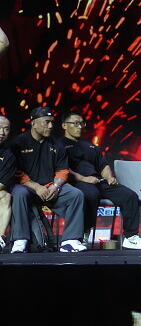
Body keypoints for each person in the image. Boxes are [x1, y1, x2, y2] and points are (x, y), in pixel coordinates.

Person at [58, 111, 141, 250]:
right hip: (77, 182)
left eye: (82, 124)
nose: (80, 127)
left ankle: (131, 237)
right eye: (75, 123)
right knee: (91, 194)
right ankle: (83, 233)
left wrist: (109, 177)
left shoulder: (90, 146)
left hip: (98, 181)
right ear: (64, 125)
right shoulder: (59, 145)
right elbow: (63, 169)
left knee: (129, 196)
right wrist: (84, 178)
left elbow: (103, 165)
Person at [8, 107, 86, 253]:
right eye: (46, 122)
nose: (50, 126)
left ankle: (70, 241)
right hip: (28, 188)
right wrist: (36, 187)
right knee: (18, 193)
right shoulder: (18, 143)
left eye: (52, 122)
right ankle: (20, 240)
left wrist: (56, 186)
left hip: (51, 189)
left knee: (76, 195)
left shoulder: (57, 144)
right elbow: (16, 172)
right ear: (33, 123)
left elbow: (63, 170)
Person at [0, 116, 15, 251]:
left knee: (6, 196)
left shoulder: (8, 155)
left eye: (6, 129)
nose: (2, 133)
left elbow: (3, 182)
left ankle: (0, 237)